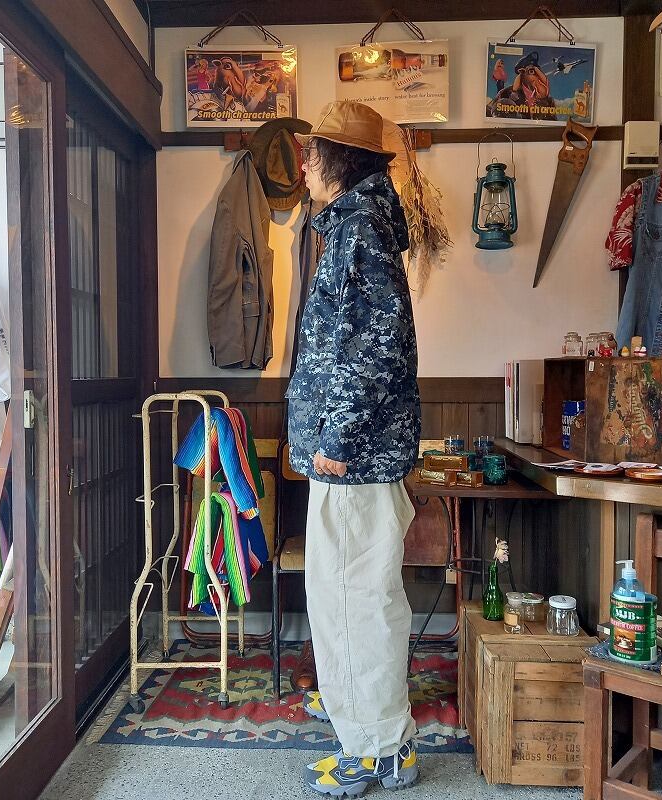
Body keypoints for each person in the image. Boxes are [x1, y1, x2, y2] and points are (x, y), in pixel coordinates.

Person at [286, 100, 422, 796]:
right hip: (353, 454)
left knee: (355, 600)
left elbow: (374, 345)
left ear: (339, 158)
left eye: (312, 152)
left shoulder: (359, 227)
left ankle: (379, 748)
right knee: (349, 596)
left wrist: (337, 437)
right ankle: (365, 721)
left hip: (354, 456)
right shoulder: (354, 223)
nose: (305, 164)